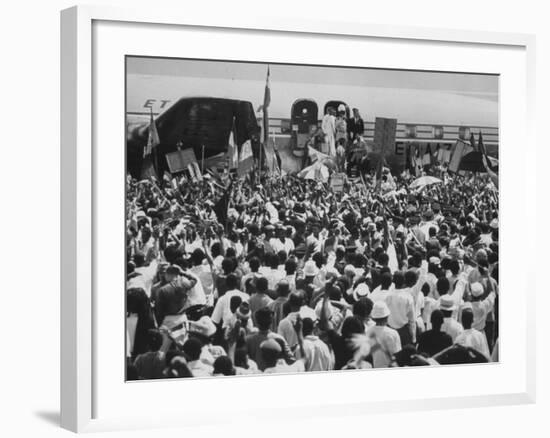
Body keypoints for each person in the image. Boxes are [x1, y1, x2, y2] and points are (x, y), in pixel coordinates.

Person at [366, 301, 402, 368]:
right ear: (387, 316)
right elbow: (397, 354)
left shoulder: (368, 332)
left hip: (375, 366)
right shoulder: (392, 333)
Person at [385, 271, 416, 347]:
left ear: (393, 282)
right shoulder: (408, 297)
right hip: (403, 333)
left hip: (390, 331)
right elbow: (412, 320)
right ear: (404, 281)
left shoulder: (388, 296)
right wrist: (413, 338)